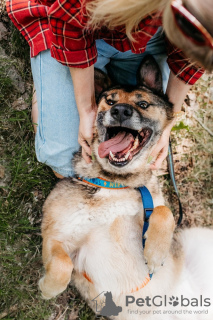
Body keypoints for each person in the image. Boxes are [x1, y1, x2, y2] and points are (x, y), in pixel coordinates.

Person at [6, 0, 213, 179]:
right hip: (71, 25)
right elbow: (68, 23)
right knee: (67, 164)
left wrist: (169, 120)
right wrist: (86, 109)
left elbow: (189, 59)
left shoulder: (195, 16)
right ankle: (48, 82)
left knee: (145, 143)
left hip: (148, 36)